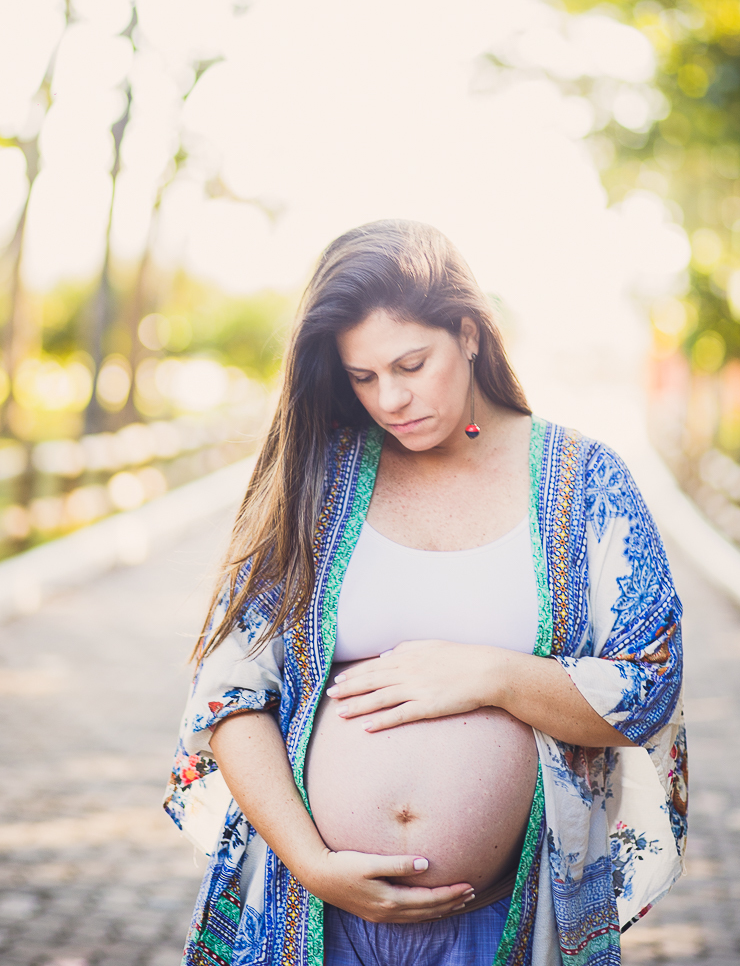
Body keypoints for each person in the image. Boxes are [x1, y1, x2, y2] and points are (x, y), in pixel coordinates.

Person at [165, 219, 687, 966]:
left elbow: (651, 684)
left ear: (469, 334)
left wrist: (489, 675)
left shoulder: (587, 483)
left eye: (412, 364)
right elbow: (228, 690)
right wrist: (315, 865)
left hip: (505, 921)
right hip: (313, 913)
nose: (391, 399)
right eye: (363, 377)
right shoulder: (318, 481)